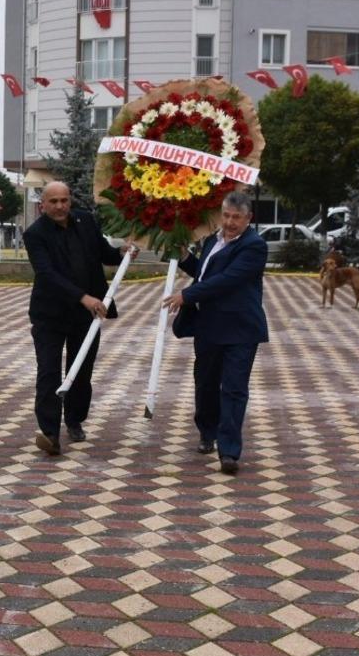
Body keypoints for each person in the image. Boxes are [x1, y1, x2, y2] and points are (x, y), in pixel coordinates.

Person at [24, 182, 136, 455]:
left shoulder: (85, 220)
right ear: (43, 205)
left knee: (81, 370)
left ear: (70, 201)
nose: (60, 206)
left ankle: (74, 420)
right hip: (50, 315)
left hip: (86, 316)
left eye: (64, 200)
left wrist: (121, 252)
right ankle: (50, 433)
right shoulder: (34, 234)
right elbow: (47, 274)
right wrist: (83, 297)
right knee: (49, 373)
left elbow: (102, 253)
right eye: (54, 202)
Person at [162, 191, 268, 475]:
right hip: (209, 326)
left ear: (248, 219)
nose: (230, 222)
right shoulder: (213, 240)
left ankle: (229, 451)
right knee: (206, 383)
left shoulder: (254, 246)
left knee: (233, 389)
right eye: (226, 216)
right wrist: (185, 257)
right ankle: (207, 432)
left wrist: (186, 295)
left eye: (237, 217)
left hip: (241, 329)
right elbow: (205, 273)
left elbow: (228, 280)